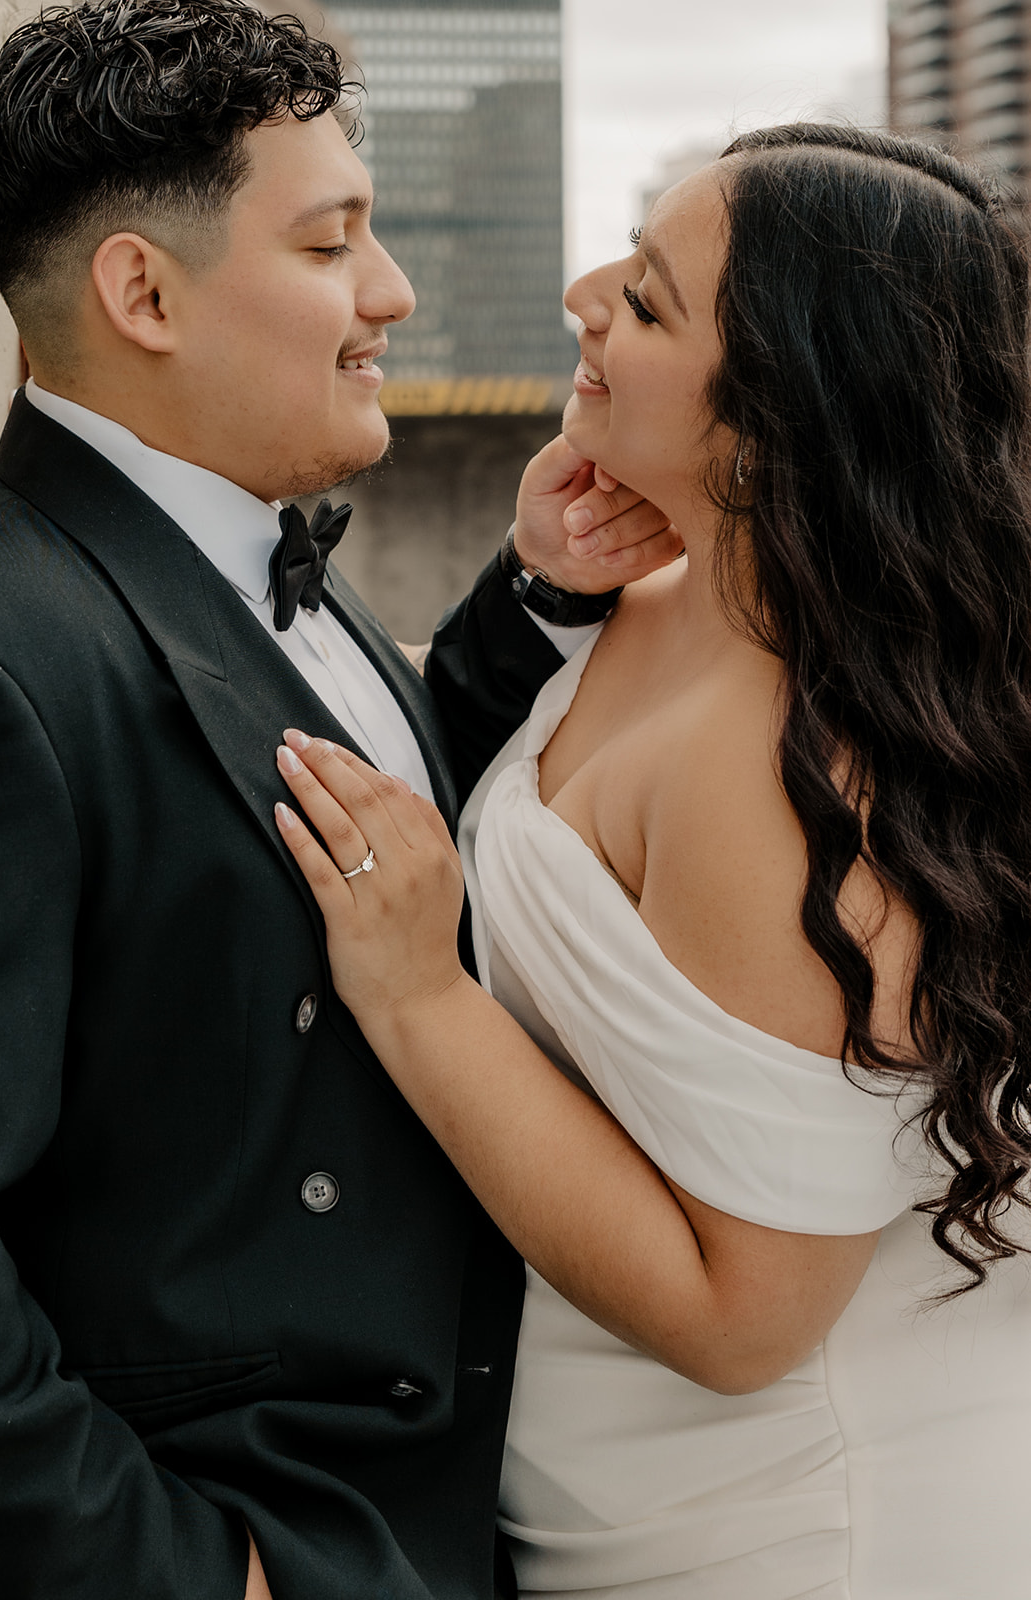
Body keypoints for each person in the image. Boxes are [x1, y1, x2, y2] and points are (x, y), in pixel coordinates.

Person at [0, 2, 678, 1596]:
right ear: (141, 291)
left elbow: (320, 820)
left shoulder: (241, 547)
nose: (392, 293)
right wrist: (196, 1576)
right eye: (332, 243)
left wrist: (537, 601)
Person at [273, 124, 1031, 1598]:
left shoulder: (800, 769)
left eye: (650, 297)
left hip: (783, 1525)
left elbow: (743, 1321)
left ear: (774, 409)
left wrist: (422, 1001)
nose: (582, 293)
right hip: (589, 1482)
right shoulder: (658, 591)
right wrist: (542, 585)